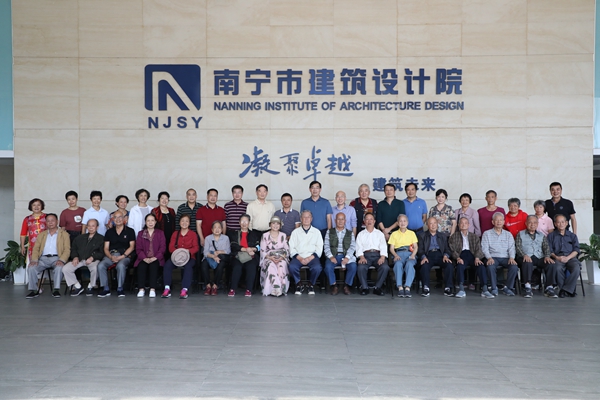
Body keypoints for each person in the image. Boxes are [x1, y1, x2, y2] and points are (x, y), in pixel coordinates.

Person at [25, 214, 70, 299]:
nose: (50, 223)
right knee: (31, 267)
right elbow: (36, 249)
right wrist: (34, 260)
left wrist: (62, 260)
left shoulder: (64, 234)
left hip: (57, 258)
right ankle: (34, 290)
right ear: (46, 223)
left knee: (59, 267)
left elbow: (67, 250)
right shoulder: (42, 235)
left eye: (52, 220)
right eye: (48, 221)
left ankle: (56, 290)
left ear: (57, 221)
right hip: (43, 259)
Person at [449, 217, 492, 298]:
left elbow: (479, 248)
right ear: (458, 225)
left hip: (473, 256)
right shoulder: (454, 236)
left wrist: (477, 257)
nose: (463, 225)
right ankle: (461, 290)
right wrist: (457, 258)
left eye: (465, 223)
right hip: (461, 255)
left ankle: (485, 290)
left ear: (469, 225)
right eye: (461, 223)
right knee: (460, 266)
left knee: (481, 266)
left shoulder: (474, 236)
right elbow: (452, 249)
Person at [515, 215, 558, 298]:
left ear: (537, 224)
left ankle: (549, 287)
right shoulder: (520, 234)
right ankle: (527, 287)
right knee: (527, 262)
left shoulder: (541, 235)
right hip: (524, 257)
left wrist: (547, 256)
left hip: (539, 257)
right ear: (526, 223)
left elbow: (546, 247)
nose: (532, 224)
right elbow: (518, 247)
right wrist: (524, 255)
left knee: (551, 264)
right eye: (530, 222)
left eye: (535, 222)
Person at [96, 210, 136, 298]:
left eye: (120, 217)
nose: (118, 219)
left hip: (125, 255)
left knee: (121, 266)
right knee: (101, 265)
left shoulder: (130, 231)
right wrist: (111, 257)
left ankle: (120, 288)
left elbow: (132, 247)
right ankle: (105, 288)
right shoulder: (109, 232)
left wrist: (122, 257)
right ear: (113, 219)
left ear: (124, 219)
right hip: (111, 255)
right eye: (115, 217)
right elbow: (106, 248)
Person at [62, 218, 104, 297]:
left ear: (97, 227)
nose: (91, 228)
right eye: (89, 226)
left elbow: (102, 252)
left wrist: (92, 257)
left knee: (95, 268)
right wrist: (75, 257)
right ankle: (77, 286)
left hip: (93, 260)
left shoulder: (101, 238)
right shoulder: (80, 238)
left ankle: (91, 286)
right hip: (80, 259)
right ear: (86, 227)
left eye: (93, 226)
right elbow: (74, 248)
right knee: (66, 268)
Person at [162, 214, 199, 299]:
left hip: (189, 257)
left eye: (186, 221)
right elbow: (171, 247)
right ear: (179, 223)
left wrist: (187, 252)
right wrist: (179, 253)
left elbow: (196, 247)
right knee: (167, 265)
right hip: (176, 258)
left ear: (189, 223)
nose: (184, 223)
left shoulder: (193, 234)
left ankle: (184, 289)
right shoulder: (175, 234)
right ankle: (167, 288)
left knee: (188, 267)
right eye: (182, 221)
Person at [481, 212, 518, 296]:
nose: (499, 222)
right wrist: (489, 258)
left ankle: (508, 288)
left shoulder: (508, 234)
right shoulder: (487, 233)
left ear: (504, 222)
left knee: (514, 267)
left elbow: (512, 248)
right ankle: (494, 288)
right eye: (497, 220)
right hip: (493, 257)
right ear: (493, 222)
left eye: (501, 220)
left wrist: (512, 258)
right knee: (490, 266)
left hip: (506, 257)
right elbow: (484, 248)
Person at [288, 210, 323, 295]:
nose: (306, 219)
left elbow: (319, 248)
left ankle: (310, 284)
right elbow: (291, 247)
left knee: (317, 268)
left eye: (308, 217)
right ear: (301, 219)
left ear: (311, 219)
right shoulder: (295, 232)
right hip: (298, 256)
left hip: (312, 257)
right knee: (292, 267)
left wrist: (309, 258)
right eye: (304, 217)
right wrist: (299, 258)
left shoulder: (317, 232)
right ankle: (299, 284)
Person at [417, 217, 453, 297]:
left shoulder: (443, 236)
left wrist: (446, 256)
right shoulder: (422, 236)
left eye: (435, 223)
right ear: (427, 225)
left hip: (441, 255)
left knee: (449, 265)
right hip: (428, 255)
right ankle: (426, 287)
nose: (433, 225)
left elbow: (447, 249)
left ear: (437, 224)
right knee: (424, 266)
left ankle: (448, 288)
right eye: (431, 223)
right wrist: (423, 257)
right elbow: (420, 250)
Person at [547, 214, 581, 298]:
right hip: (558, 257)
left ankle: (564, 290)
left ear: (566, 223)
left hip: (571, 257)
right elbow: (549, 250)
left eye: (563, 222)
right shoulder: (551, 236)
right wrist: (557, 257)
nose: (561, 224)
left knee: (576, 268)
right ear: (555, 224)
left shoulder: (572, 236)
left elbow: (576, 250)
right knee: (557, 268)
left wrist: (568, 257)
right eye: (558, 222)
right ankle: (568, 290)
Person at [355, 212, 388, 296]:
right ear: (364, 221)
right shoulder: (361, 234)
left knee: (385, 267)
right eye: (367, 219)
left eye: (371, 219)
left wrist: (382, 257)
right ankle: (364, 287)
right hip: (366, 256)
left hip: (378, 256)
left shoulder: (380, 234)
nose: (369, 221)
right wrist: (361, 257)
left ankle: (377, 287)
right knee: (361, 267)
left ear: (374, 221)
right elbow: (358, 247)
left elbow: (383, 246)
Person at [323, 213, 357, 295]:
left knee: (353, 266)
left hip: (346, 256)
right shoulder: (329, 232)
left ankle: (346, 285)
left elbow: (352, 247)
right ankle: (334, 285)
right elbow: (326, 246)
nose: (340, 221)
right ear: (335, 221)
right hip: (334, 255)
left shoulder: (350, 233)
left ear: (345, 221)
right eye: (338, 219)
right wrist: (331, 257)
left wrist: (347, 257)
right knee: (328, 267)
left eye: (342, 219)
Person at [228, 214, 261, 297]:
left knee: (251, 266)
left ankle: (249, 289)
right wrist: (246, 249)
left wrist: (253, 249)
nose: (244, 223)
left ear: (249, 222)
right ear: (239, 223)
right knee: (237, 267)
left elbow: (258, 246)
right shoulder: (234, 234)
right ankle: (232, 289)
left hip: (251, 256)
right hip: (238, 255)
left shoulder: (254, 234)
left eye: (246, 221)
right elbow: (233, 246)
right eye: (242, 221)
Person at [135, 213, 166, 298]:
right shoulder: (141, 233)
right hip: (143, 258)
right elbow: (138, 248)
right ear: (145, 222)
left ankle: (152, 289)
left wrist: (155, 257)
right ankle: (141, 289)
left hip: (156, 258)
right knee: (141, 266)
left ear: (155, 222)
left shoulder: (160, 233)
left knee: (153, 266)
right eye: (148, 220)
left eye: (152, 220)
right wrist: (144, 258)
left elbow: (162, 248)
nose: (150, 222)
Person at [259, 216, 290, 297]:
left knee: (281, 265)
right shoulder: (265, 235)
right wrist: (270, 258)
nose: (275, 225)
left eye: (277, 224)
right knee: (270, 265)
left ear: (280, 225)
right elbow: (262, 250)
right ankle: (275, 288)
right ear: (270, 224)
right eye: (273, 223)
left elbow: (287, 249)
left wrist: (282, 257)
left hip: (281, 257)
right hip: (269, 257)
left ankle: (280, 288)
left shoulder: (283, 235)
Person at [387, 214, 417, 298]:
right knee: (398, 264)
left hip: (409, 253)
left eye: (404, 221)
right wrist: (395, 255)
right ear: (397, 223)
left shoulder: (412, 233)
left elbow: (416, 247)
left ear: (407, 222)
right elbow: (391, 248)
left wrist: (413, 255)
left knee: (410, 264)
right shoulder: (394, 234)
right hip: (398, 253)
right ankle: (400, 287)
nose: (402, 223)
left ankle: (407, 288)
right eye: (400, 221)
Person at [201, 220, 231, 296]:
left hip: (221, 257)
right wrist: (214, 256)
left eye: (219, 227)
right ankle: (208, 285)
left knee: (220, 265)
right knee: (204, 265)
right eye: (215, 227)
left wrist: (219, 252)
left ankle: (215, 285)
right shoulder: (208, 238)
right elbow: (205, 252)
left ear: (222, 229)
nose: (217, 229)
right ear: (212, 229)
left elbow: (228, 251)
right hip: (210, 257)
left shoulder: (226, 238)